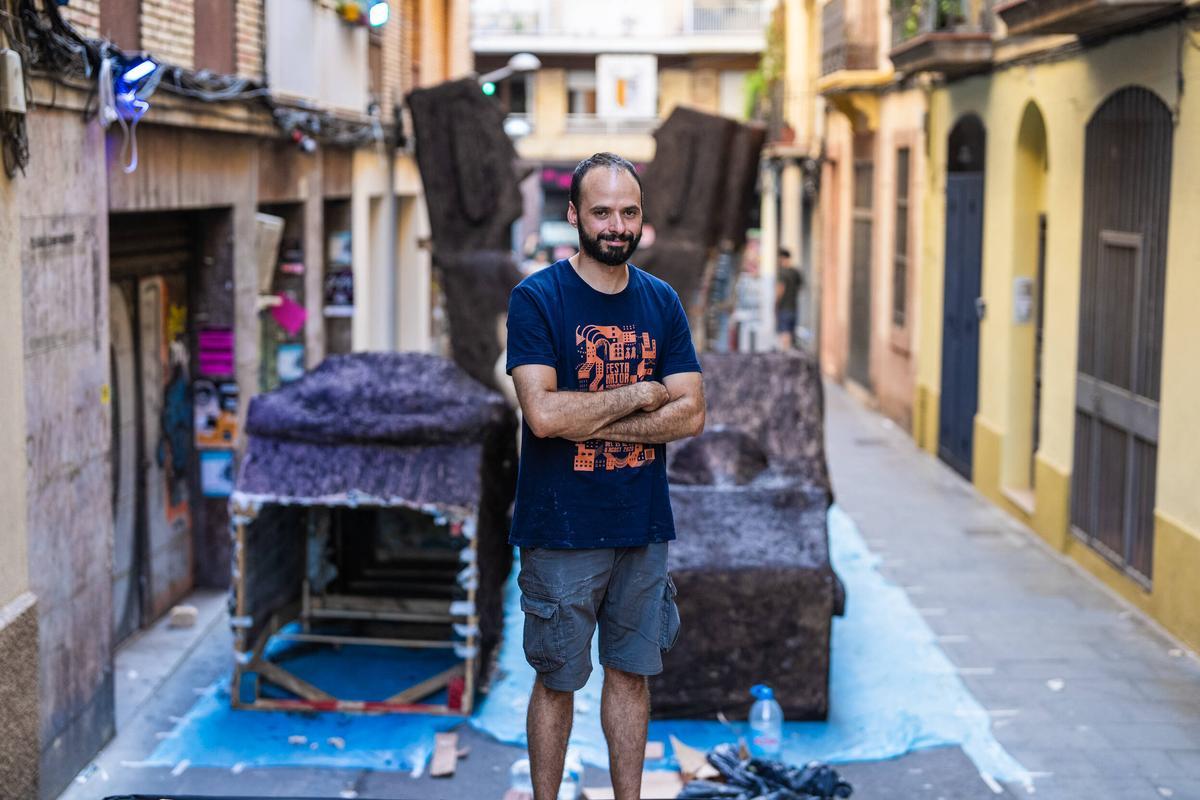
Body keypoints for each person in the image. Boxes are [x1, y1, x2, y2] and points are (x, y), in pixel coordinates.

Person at [505, 152, 705, 800]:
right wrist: (640, 392)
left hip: (641, 527)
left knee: (631, 676)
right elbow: (541, 414)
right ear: (574, 216)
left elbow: (693, 411)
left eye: (628, 212)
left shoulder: (662, 301)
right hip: (560, 529)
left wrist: (589, 419)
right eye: (602, 212)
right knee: (559, 680)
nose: (615, 225)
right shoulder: (538, 298)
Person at [775, 248, 803, 350]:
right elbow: (800, 288)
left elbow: (780, 289)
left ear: (782, 258)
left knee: (785, 332)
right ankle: (790, 354)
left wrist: (776, 302)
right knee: (791, 332)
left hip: (784, 307)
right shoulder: (796, 272)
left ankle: (785, 354)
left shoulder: (782, 273)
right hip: (794, 306)